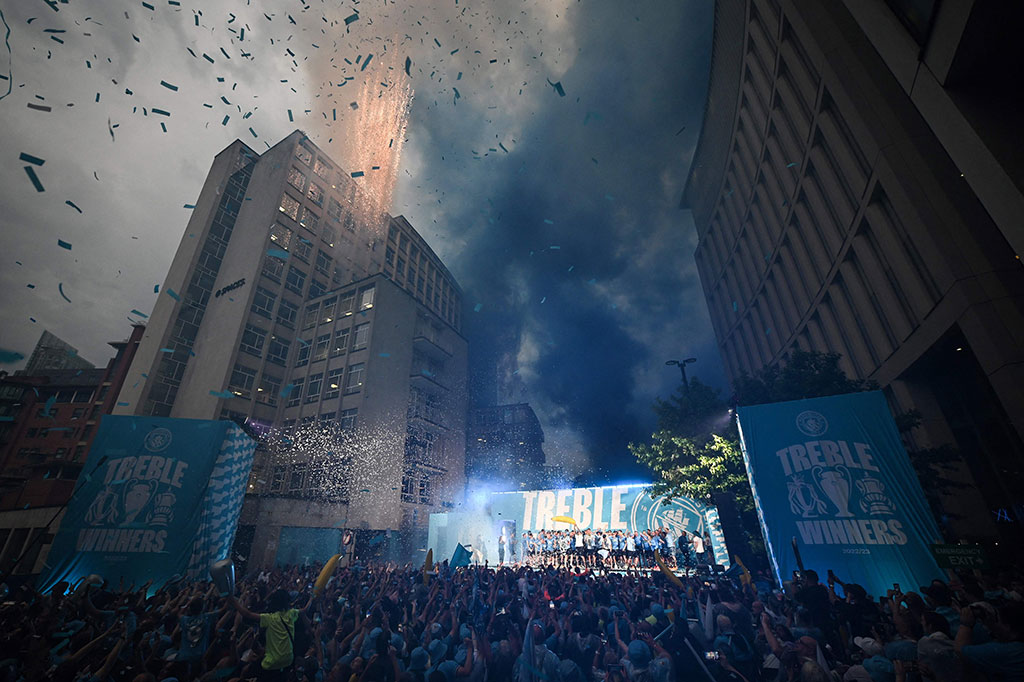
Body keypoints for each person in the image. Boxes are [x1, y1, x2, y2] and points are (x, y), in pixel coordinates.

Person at [230, 587, 303, 680]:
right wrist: (312, 599)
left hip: (272, 663)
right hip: (288, 660)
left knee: (245, 671)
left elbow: (247, 614)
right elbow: (304, 609)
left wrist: (233, 601)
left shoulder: (270, 618)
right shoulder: (291, 614)